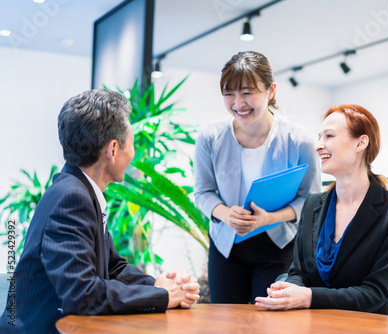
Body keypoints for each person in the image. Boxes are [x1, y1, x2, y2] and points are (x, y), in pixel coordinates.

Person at [0, 89, 200, 334]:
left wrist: (159, 286)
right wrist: (160, 296)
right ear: (113, 149)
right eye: (133, 143)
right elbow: (82, 295)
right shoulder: (72, 199)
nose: (133, 153)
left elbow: (113, 267)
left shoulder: (78, 189)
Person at [255, 104, 388, 314]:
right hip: (312, 322)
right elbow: (298, 272)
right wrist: (290, 290)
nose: (318, 145)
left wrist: (309, 297)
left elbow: (375, 293)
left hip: (365, 325)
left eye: (329, 136)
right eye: (319, 137)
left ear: (361, 142)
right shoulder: (312, 204)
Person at [194, 51, 321, 304]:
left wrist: (270, 218)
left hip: (278, 245)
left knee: (268, 324)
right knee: (224, 322)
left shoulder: (299, 139)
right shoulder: (209, 137)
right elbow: (202, 193)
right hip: (227, 245)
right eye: (229, 93)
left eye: (247, 92)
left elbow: (311, 199)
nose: (238, 103)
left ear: (270, 90)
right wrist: (226, 213)